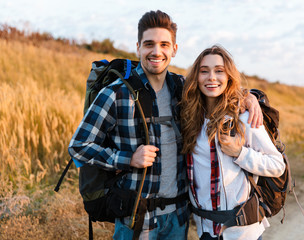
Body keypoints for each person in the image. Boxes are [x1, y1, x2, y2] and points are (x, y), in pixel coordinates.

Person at [68, 11, 262, 240]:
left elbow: (219, 89)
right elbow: (78, 146)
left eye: (164, 44)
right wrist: (128, 158)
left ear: (174, 49)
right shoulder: (115, 93)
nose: (156, 52)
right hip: (136, 219)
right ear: (138, 47)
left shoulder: (183, 88)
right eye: (149, 44)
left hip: (178, 218)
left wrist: (250, 97)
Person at [181, 45, 286, 240]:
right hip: (206, 231)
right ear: (196, 77)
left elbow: (277, 165)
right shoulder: (190, 118)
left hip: (242, 232)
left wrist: (240, 153)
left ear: (229, 77)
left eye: (219, 71)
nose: (211, 77)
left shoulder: (244, 117)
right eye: (204, 71)